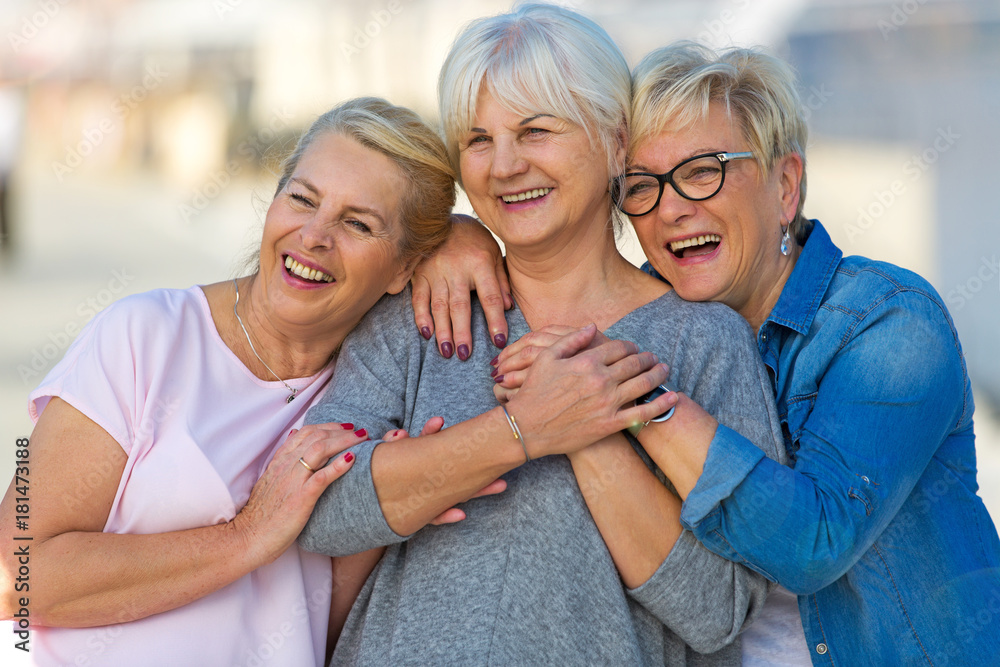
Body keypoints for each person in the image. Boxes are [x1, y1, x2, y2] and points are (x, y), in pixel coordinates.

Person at [423, 42, 1000, 664]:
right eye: (642, 185)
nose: (672, 209)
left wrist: (625, 397)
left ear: (785, 185)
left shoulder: (888, 321)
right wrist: (458, 234)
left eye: (704, 171)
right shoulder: (650, 324)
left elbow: (816, 541)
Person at [298, 6, 786, 665]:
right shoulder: (420, 313)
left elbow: (718, 610)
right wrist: (522, 430)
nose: (503, 166)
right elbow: (319, 508)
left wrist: (587, 426)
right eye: (477, 140)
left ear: (616, 141)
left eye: (535, 131)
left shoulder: (706, 341)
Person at [0, 97, 470, 666]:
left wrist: (385, 509)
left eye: (357, 223)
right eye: (302, 198)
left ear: (405, 267)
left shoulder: (378, 391)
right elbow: (17, 579)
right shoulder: (146, 337)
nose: (314, 235)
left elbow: (319, 625)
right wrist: (248, 535)